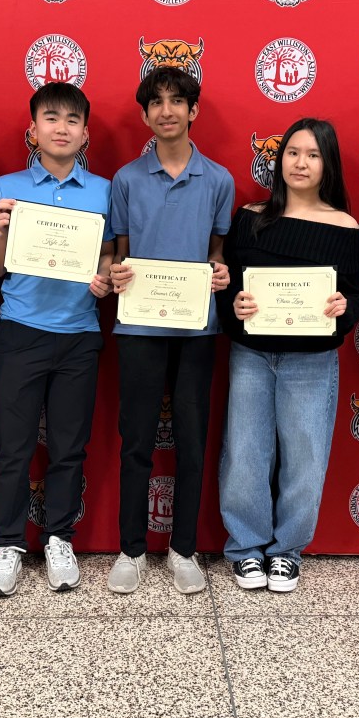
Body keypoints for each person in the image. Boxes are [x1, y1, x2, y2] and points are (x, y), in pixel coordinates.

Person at [217, 118, 359, 592]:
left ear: (328, 164)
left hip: (312, 360)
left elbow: (356, 296)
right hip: (252, 354)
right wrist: (234, 303)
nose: (301, 163)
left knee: (305, 456)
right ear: (279, 160)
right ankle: (245, 547)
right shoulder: (250, 215)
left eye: (313, 154)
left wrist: (344, 307)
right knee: (244, 452)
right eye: (293, 153)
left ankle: (286, 551)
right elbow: (229, 286)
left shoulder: (345, 226)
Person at [0, 83, 114, 597]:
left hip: (79, 333)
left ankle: (60, 537)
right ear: (32, 130)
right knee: (11, 448)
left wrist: (103, 276)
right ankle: (7, 545)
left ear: (85, 133)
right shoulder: (7, 187)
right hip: (20, 329)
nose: (62, 128)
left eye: (72, 120)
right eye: (51, 118)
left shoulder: (104, 190)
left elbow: (106, 256)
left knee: (69, 447)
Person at [108, 66, 234, 595]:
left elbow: (217, 254)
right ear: (144, 115)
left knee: (191, 440)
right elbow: (119, 252)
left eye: (176, 101)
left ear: (193, 110)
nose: (166, 111)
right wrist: (116, 273)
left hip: (196, 328)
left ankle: (184, 549)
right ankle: (130, 550)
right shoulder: (126, 179)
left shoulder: (220, 180)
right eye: (156, 102)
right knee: (136, 438)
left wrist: (222, 273)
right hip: (138, 325)